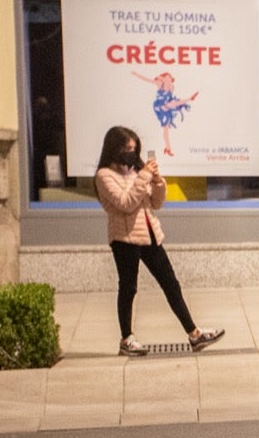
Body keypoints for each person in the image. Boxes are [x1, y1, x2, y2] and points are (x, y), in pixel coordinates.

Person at [93, 126, 225, 357]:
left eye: (134, 149)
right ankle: (127, 338)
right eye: (127, 149)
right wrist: (143, 176)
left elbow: (155, 203)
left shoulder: (135, 172)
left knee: (170, 283)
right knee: (128, 287)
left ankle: (194, 334)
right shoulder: (104, 176)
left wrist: (157, 181)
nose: (132, 153)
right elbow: (125, 203)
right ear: (114, 149)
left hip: (149, 234)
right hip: (124, 238)